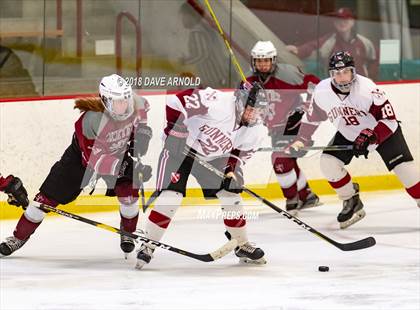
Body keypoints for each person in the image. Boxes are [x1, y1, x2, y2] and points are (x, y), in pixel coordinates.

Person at [0, 74, 153, 256]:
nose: (124, 105)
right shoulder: (89, 122)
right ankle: (18, 238)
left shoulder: (135, 103)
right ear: (105, 100)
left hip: (117, 155)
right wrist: (123, 168)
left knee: (129, 195)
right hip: (80, 160)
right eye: (118, 101)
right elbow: (94, 161)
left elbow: (142, 112)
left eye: (126, 100)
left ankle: (128, 232)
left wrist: (143, 131)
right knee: (42, 202)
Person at [135, 83, 269, 269]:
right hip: (180, 152)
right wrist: (176, 130)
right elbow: (175, 99)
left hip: (214, 158)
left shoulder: (256, 129)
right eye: (251, 109)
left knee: (231, 195)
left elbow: (239, 153)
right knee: (171, 198)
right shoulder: (216, 102)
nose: (254, 115)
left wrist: (231, 170)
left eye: (259, 111)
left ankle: (241, 244)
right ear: (239, 102)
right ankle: (148, 245)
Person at [287, 51, 420, 229]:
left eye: (345, 72)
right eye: (336, 73)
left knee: (408, 175)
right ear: (330, 74)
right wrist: (301, 139)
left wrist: (372, 136)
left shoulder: (367, 88)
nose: (341, 77)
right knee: (328, 163)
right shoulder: (322, 90)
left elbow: (388, 120)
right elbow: (313, 118)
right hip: (349, 133)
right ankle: (351, 200)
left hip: (382, 132)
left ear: (353, 71)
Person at [244, 41, 320, 212]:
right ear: (253, 61)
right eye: (259, 60)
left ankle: (292, 199)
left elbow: (314, 83)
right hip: (276, 128)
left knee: (279, 159)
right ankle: (307, 196)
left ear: (274, 60)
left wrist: (308, 106)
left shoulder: (287, 74)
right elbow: (243, 105)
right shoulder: (249, 80)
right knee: (287, 160)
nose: (262, 64)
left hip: (294, 123)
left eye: (266, 60)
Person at [286, 7, 378, 79]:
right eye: (338, 19)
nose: (341, 23)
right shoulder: (328, 41)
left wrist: (371, 79)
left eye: (345, 19)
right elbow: (311, 47)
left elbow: (375, 59)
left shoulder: (364, 42)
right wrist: (297, 50)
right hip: (337, 87)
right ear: (334, 22)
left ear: (352, 22)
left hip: (360, 87)